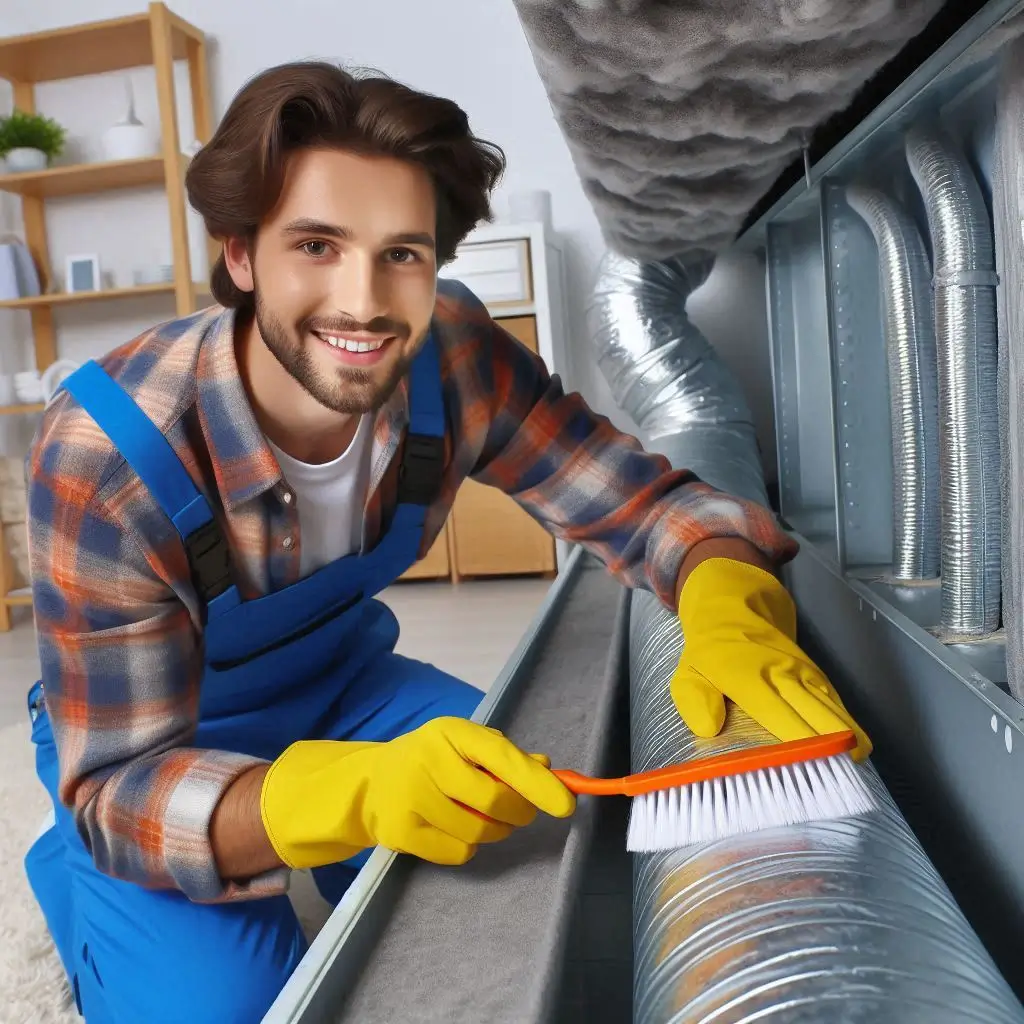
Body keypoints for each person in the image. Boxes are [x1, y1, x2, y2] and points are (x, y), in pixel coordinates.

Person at [22, 61, 871, 1023]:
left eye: (403, 254)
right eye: (316, 245)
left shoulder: (452, 358)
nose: (365, 302)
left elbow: (644, 505)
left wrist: (729, 601)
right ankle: (69, 887)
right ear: (242, 255)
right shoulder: (108, 456)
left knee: (532, 855)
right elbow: (120, 792)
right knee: (224, 1005)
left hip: (345, 689)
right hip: (151, 739)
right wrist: (336, 801)